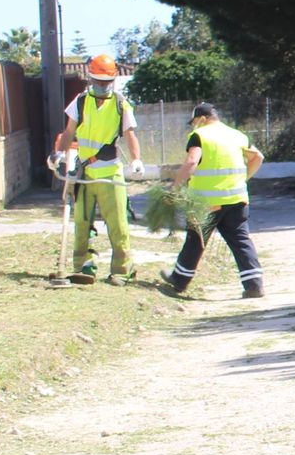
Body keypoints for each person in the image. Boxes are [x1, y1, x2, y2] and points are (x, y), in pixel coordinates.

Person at [51, 54, 145, 285]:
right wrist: (60, 154)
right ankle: (83, 266)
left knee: (118, 224)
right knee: (82, 222)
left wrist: (136, 160)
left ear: (113, 80)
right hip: (85, 173)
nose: (102, 86)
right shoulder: (80, 102)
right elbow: (70, 131)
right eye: (98, 81)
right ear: (90, 79)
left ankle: (121, 271)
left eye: (106, 82)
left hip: (110, 172)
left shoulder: (121, 104)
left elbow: (130, 134)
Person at [161, 102, 267, 298]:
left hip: (206, 202)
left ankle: (179, 280)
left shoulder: (199, 136)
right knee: (241, 240)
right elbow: (258, 157)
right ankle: (254, 285)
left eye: (194, 121)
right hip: (237, 199)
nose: (193, 126)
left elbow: (192, 161)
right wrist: (244, 178)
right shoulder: (237, 135)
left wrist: (175, 186)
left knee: (195, 240)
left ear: (202, 118)